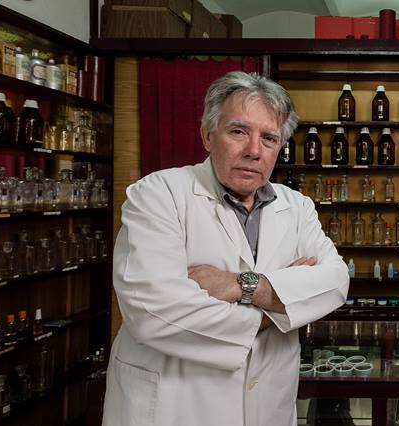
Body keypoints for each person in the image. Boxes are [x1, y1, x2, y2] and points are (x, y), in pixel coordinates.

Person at [103, 71, 349, 426]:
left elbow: (335, 282)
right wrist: (277, 310)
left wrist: (243, 286)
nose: (254, 151)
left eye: (269, 138)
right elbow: (153, 312)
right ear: (208, 135)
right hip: (176, 407)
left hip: (268, 406)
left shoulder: (296, 206)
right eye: (238, 132)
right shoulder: (158, 194)